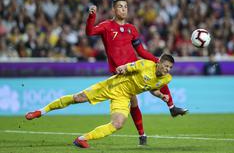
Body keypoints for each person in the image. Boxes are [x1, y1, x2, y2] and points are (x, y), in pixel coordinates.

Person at [25, 54, 188, 148]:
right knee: (77, 98)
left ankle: (82, 139)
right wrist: (122, 68)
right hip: (112, 85)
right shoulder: (145, 64)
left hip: (123, 97)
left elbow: (151, 88)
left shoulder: (167, 78)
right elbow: (128, 66)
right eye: (165, 65)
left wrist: (161, 96)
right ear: (158, 62)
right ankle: (40, 111)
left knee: (118, 124)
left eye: (169, 68)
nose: (167, 69)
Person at [86, 0, 186, 145]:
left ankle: (168, 110)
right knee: (133, 101)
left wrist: (156, 60)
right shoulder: (107, 26)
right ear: (114, 9)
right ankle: (143, 134)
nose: (124, 9)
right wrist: (92, 16)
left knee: (160, 77)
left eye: (125, 7)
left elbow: (140, 50)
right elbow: (90, 32)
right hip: (121, 72)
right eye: (120, 7)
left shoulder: (131, 29)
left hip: (135, 68)